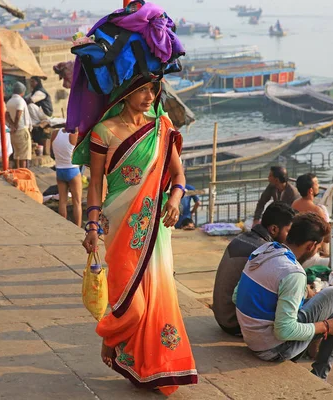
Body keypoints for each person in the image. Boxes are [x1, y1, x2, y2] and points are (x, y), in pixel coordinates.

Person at [77, 75, 198, 395]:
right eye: (142, 89)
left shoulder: (162, 128)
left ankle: (156, 366)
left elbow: (178, 174)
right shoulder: (104, 132)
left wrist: (174, 199)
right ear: (125, 92)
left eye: (153, 90)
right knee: (133, 303)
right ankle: (110, 337)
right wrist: (91, 225)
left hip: (156, 226)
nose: (148, 96)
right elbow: (95, 185)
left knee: (159, 296)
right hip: (118, 227)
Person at [233, 212, 333, 380]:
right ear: (312, 246)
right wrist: (325, 326)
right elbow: (284, 331)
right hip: (273, 348)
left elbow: (236, 296)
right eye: (319, 248)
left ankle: (319, 377)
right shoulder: (293, 272)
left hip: (253, 338)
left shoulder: (264, 251)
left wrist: (295, 296)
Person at [213, 202, 295, 336]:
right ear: (274, 229)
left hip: (222, 317)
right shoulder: (264, 251)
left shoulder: (241, 238)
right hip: (233, 323)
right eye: (288, 231)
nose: (290, 236)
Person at [292, 173, 333, 271]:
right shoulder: (317, 210)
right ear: (311, 190)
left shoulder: (295, 204)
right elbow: (327, 238)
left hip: (297, 253)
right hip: (310, 258)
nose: (318, 186)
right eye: (316, 184)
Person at [51, 128, 82, 227]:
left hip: (60, 170)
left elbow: (51, 153)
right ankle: (77, 227)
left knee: (62, 201)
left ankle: (63, 227)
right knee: (77, 202)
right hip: (72, 169)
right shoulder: (76, 135)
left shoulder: (55, 133)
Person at [6, 82, 32, 168]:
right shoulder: (20, 101)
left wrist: (12, 125)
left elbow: (6, 115)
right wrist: (16, 125)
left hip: (13, 131)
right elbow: (18, 114)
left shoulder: (9, 101)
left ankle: (17, 171)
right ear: (22, 92)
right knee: (23, 156)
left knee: (16, 153)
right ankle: (23, 172)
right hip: (21, 130)